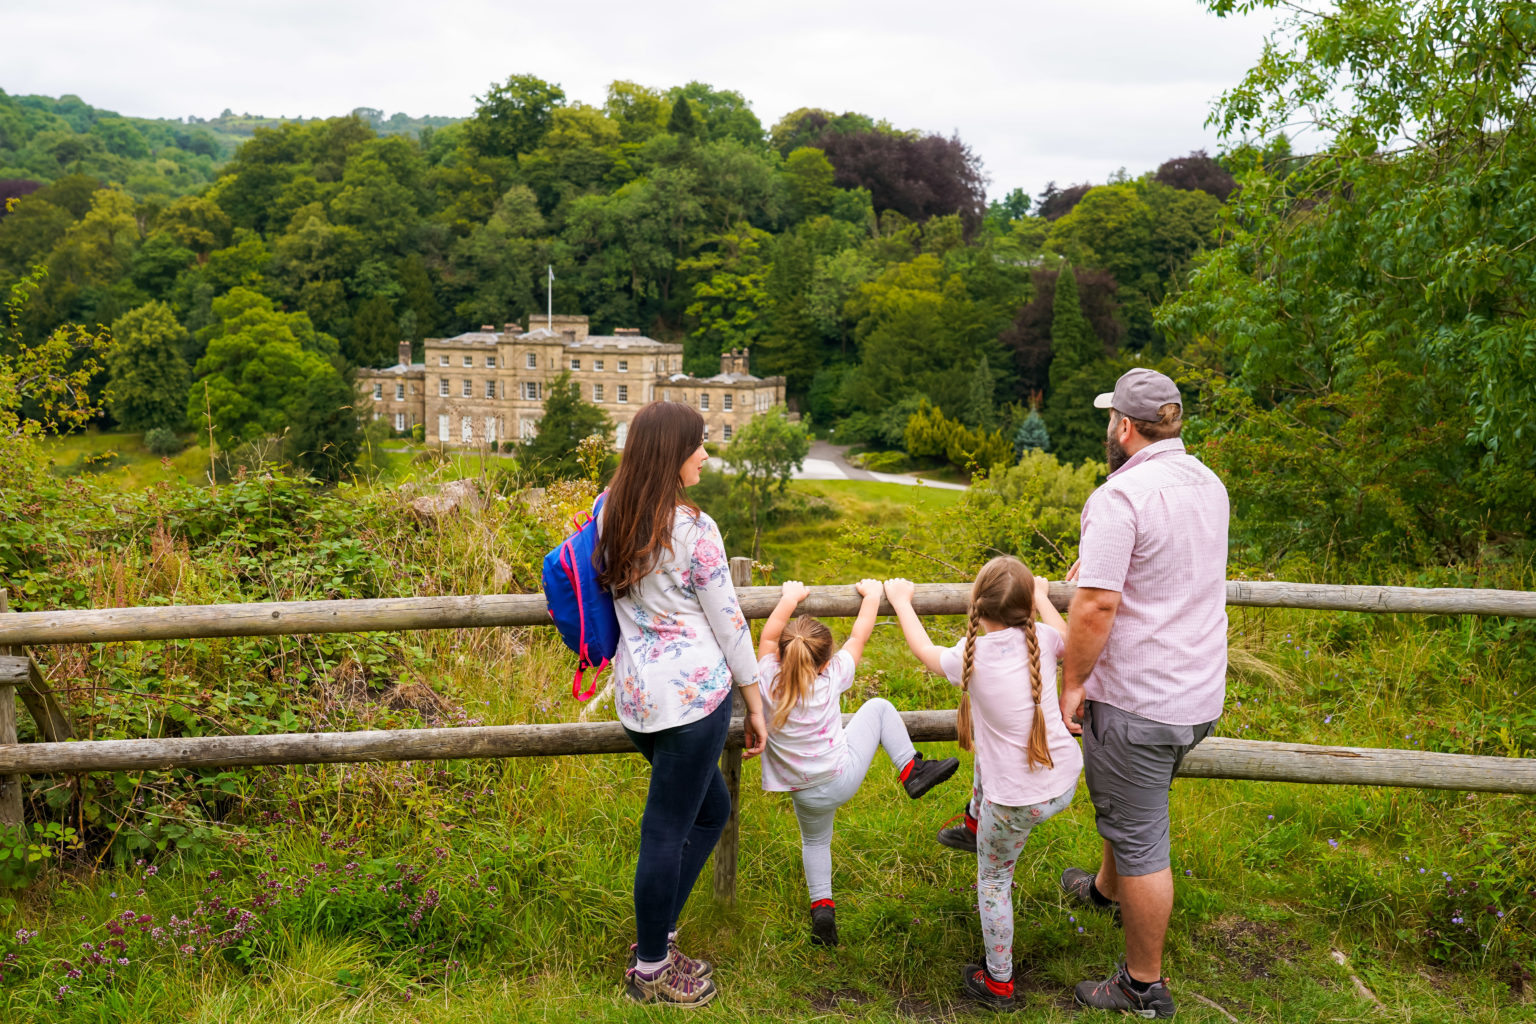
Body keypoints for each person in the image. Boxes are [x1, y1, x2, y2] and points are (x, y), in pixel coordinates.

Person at [1056, 367, 1228, 1019]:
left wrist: (1073, 683)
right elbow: (1170, 564)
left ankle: (1142, 985)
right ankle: (1105, 890)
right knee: (1134, 811)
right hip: (1197, 692)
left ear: (1124, 427)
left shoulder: (1119, 497)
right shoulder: (1208, 484)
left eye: (1111, 419)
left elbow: (1097, 605)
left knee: (1142, 837)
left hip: (1141, 700)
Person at [596, 400, 768, 1009]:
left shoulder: (610, 514)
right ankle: (650, 969)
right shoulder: (694, 529)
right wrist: (757, 701)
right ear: (671, 454)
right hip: (695, 702)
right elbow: (729, 622)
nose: (704, 454)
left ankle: (659, 936)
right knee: (667, 831)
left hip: (640, 701)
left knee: (707, 813)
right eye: (697, 444)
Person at [886, 559, 1081, 1012]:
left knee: (993, 881)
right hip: (1063, 782)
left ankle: (998, 983)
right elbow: (1071, 641)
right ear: (1025, 604)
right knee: (990, 746)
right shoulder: (1045, 639)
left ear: (977, 604)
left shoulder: (966, 659)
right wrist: (1043, 599)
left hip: (1013, 802)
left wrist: (900, 600)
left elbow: (922, 649)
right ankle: (974, 825)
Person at [757, 578, 959, 947]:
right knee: (879, 708)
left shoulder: (768, 678)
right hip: (839, 777)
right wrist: (873, 596)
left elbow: (769, 639)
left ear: (785, 655)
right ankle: (911, 769)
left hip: (803, 792)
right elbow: (859, 637)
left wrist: (788, 598)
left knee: (815, 843)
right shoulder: (832, 676)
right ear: (826, 659)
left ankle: (822, 905)